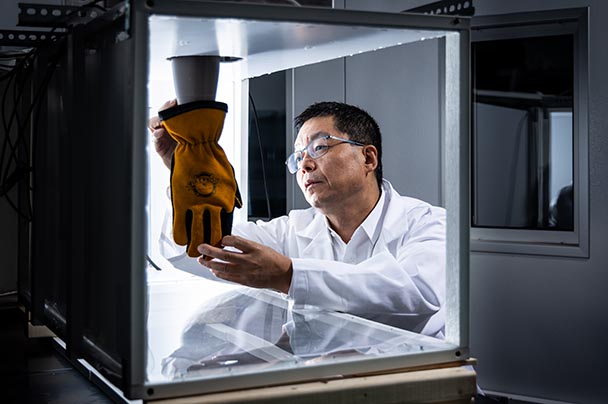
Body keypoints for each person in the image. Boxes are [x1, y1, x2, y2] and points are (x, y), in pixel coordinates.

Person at [150, 101, 446, 338]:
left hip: (414, 380)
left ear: (368, 158)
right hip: (321, 383)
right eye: (297, 156)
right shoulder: (293, 229)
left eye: (319, 147)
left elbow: (413, 290)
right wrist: (184, 167)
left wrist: (288, 275)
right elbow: (195, 249)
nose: (304, 164)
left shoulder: (428, 222)